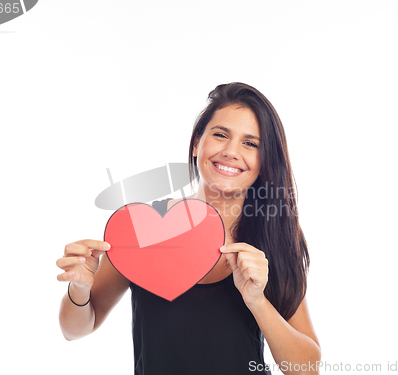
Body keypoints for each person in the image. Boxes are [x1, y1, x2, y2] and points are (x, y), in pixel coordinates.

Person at [57, 82, 321, 374]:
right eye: (221, 135)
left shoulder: (274, 238)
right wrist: (80, 288)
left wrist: (257, 301)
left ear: (265, 160)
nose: (231, 152)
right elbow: (75, 330)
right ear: (197, 143)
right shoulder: (141, 229)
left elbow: (307, 369)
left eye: (250, 143)